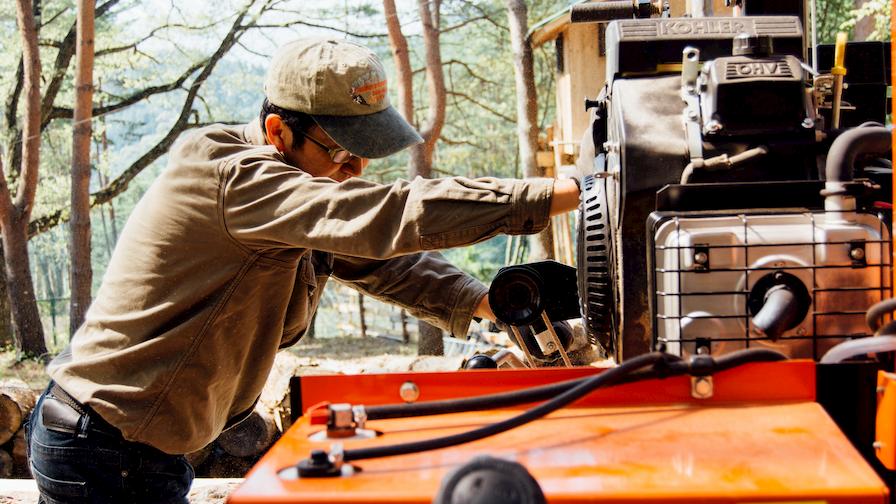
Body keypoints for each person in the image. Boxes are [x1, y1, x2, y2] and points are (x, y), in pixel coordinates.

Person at [26, 37, 581, 503]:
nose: (356, 169)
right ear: (277, 133)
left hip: (142, 450)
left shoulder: (296, 199)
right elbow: (378, 216)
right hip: (100, 448)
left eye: (367, 154)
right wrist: (557, 194)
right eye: (342, 152)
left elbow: (383, 264)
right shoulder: (231, 177)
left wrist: (492, 300)